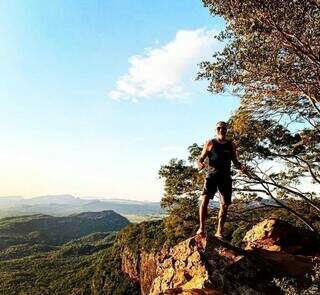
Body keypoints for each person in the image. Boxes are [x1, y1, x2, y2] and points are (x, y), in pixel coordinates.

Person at [196, 121, 248, 238]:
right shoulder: (210, 143)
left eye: (223, 128)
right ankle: (201, 228)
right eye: (219, 128)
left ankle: (219, 232)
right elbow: (200, 158)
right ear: (216, 130)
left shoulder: (231, 145)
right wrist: (200, 164)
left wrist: (242, 168)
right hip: (212, 176)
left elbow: (235, 161)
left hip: (225, 177)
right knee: (204, 199)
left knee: (224, 205)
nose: (221, 130)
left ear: (226, 130)